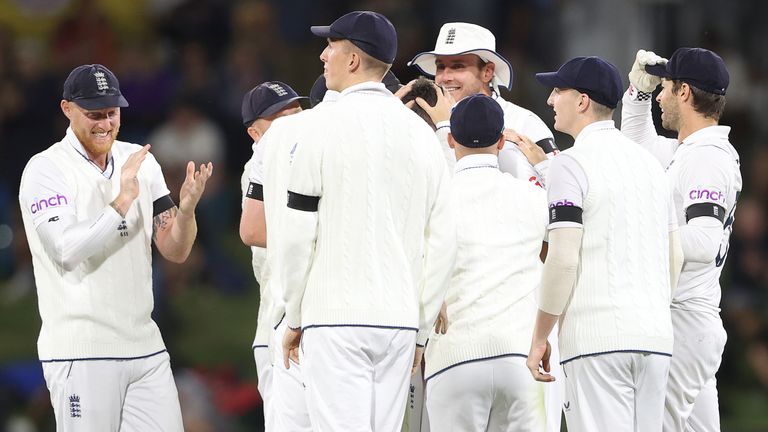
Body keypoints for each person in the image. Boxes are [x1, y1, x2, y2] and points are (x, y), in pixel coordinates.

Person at [278, 11, 456, 431]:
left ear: (353, 59)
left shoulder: (318, 126)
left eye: (331, 47)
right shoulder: (423, 136)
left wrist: (294, 314)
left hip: (334, 317)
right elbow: (445, 241)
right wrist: (420, 330)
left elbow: (297, 235)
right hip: (398, 321)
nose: (323, 56)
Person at [18, 64, 213, 431]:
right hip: (82, 349)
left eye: (111, 112)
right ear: (67, 109)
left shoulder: (140, 160)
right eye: (94, 114)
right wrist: (121, 201)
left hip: (144, 345)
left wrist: (186, 212)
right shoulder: (45, 170)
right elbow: (66, 249)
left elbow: (175, 250)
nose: (105, 123)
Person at [525, 56, 682, 432]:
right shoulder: (650, 165)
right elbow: (674, 256)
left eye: (558, 90)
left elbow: (562, 260)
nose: (550, 100)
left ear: (581, 101)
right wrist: (652, 312)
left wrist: (540, 337)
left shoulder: (570, 163)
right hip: (655, 339)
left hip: (597, 343)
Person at [621, 47, 742, 432]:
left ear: (685, 92)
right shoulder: (690, 151)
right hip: (693, 320)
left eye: (666, 87)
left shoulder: (706, 158)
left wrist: (640, 236)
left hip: (685, 322)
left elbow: (703, 243)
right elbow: (637, 147)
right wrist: (637, 93)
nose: (660, 96)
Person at [424, 93, 548, 431]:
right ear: (501, 140)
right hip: (520, 359)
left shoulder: (436, 200)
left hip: (454, 357)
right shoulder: (532, 196)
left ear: (451, 140)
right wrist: (546, 166)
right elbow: (572, 230)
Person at [407, 22, 557, 185]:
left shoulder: (525, 123)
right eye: (440, 67)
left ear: (487, 72)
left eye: (458, 66)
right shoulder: (423, 123)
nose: (445, 77)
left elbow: (559, 188)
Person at [237, 81, 307, 431]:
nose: (294, 122)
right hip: (278, 318)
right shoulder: (259, 170)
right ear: (256, 132)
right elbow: (255, 232)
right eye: (281, 118)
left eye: (297, 112)